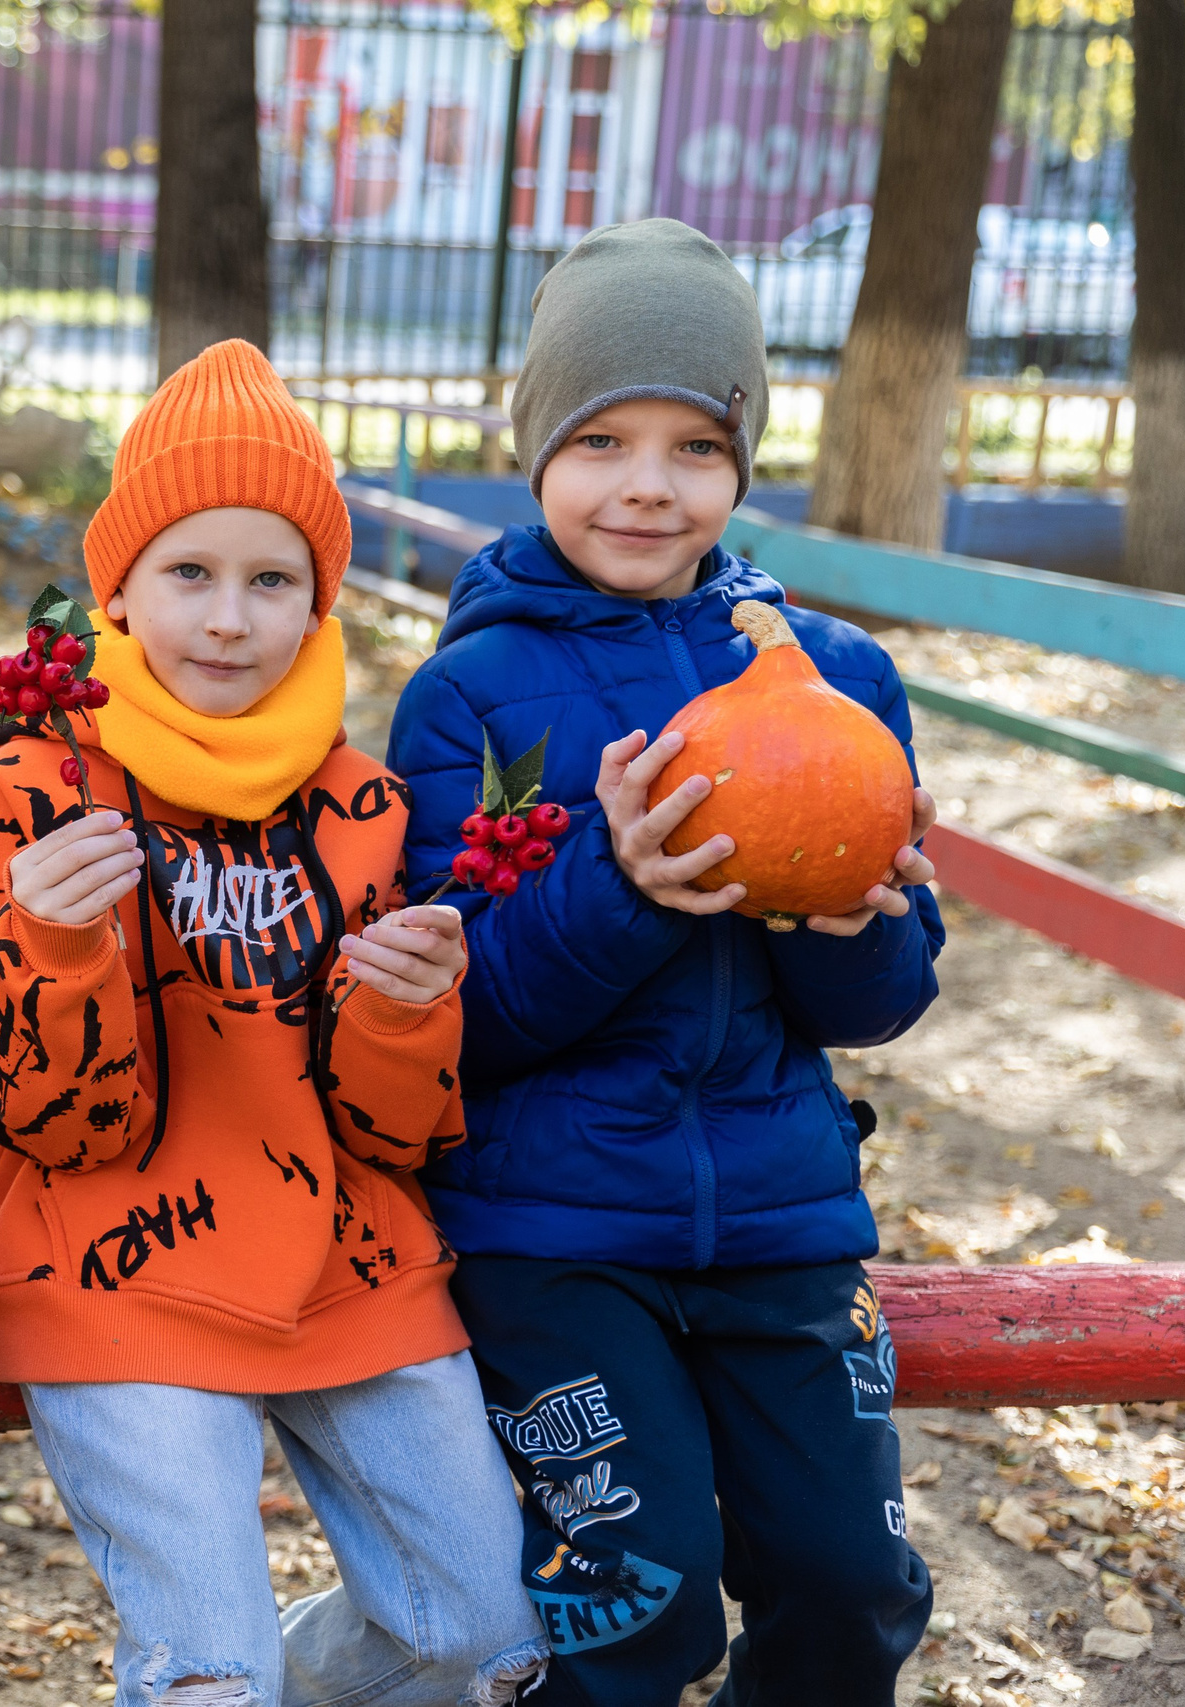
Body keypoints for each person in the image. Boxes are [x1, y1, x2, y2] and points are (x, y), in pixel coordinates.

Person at [387, 219, 944, 1702]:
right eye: (603, 440)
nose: (648, 483)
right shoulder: (468, 699)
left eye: (697, 445)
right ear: (536, 452)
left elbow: (884, 1006)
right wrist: (627, 887)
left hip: (784, 1222)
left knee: (851, 1581)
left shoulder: (840, 683)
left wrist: (857, 924)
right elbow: (467, 1020)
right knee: (636, 1604)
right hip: (550, 1234)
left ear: (742, 465)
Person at [0, 338, 550, 1707]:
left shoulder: (364, 803)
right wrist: (56, 942)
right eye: (189, 574)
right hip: (118, 1260)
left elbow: (392, 1131)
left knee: (482, 1645)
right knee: (213, 1680)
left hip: (344, 1255)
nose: (227, 619)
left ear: (319, 601)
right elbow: (52, 1120)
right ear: (117, 590)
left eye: (271, 579)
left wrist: (403, 1013)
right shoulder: (39, 772)